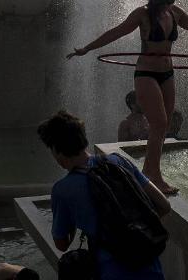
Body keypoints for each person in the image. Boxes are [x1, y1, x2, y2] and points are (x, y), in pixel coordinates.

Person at [67, 0, 188, 195]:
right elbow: (116, 32)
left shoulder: (174, 12)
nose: (166, 5)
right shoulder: (141, 14)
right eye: (164, 2)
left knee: (164, 124)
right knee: (160, 123)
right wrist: (87, 48)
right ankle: (154, 176)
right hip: (147, 73)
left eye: (169, 1)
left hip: (167, 73)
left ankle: (148, 170)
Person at [39, 111, 171, 280]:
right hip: (149, 263)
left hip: (110, 269)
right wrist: (135, 228)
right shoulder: (118, 161)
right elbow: (164, 206)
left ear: (57, 151)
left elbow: (61, 244)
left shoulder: (63, 189)